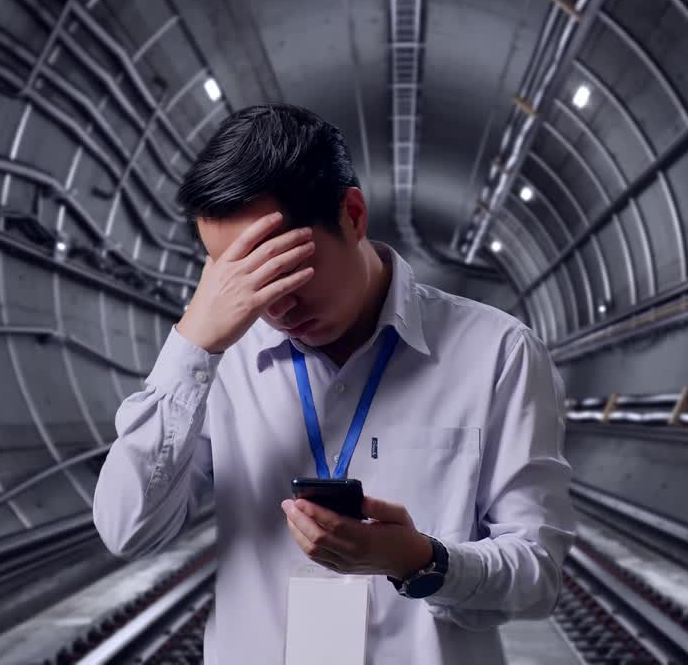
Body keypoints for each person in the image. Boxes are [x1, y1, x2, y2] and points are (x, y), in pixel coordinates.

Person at [93, 104, 575, 664]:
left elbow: (539, 573)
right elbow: (128, 529)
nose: (273, 305)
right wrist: (192, 344)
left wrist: (421, 562)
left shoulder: (497, 354)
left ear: (352, 214)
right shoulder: (217, 364)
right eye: (242, 275)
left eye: (283, 267)